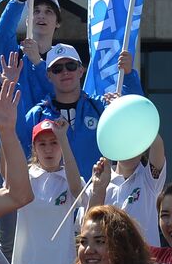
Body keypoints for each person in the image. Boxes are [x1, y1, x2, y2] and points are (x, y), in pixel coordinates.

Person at [21, 43, 142, 173]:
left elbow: (137, 119)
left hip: (98, 191)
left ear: (80, 70)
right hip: (52, 193)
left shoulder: (101, 107)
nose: (65, 72)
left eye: (71, 66)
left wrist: (128, 75)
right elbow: (21, 158)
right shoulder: (36, 115)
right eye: (57, 69)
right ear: (48, 76)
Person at [11, 119, 83, 264]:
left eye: (54, 143)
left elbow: (77, 192)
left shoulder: (71, 178)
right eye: (42, 144)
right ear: (34, 148)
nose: (48, 149)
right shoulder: (25, 176)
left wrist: (63, 138)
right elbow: (6, 172)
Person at [0, 0, 60, 105]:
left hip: (52, 124)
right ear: (27, 21)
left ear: (57, 23)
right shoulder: (15, 57)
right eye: (36, 11)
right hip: (17, 124)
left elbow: (63, 93)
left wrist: (38, 63)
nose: (41, 16)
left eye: (48, 11)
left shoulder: (63, 59)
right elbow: (2, 34)